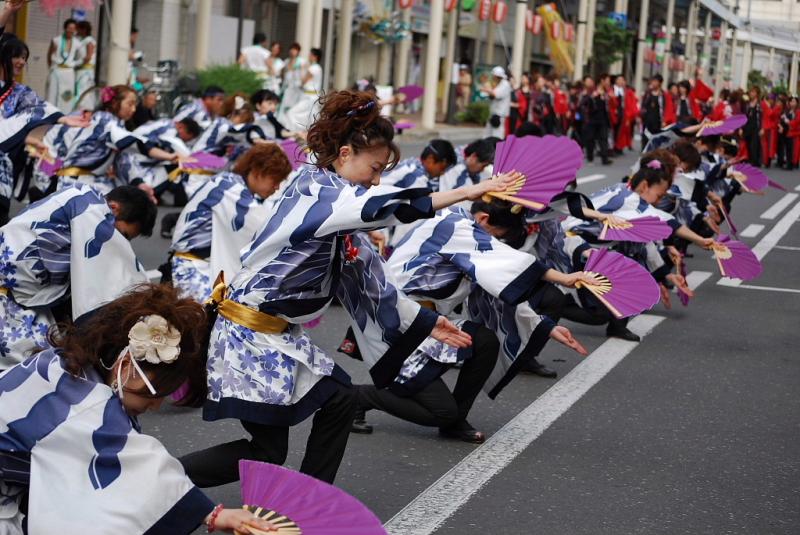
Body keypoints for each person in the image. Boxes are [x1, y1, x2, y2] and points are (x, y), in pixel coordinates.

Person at [178, 90, 517, 487]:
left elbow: (376, 287)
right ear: (343, 155)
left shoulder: (340, 218)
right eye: (373, 169)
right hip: (250, 333)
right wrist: (466, 192)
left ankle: (306, 500)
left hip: (271, 334)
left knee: (337, 401)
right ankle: (165, 486)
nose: (375, 180)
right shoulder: (317, 192)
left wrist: (428, 323)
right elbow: (385, 205)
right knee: (269, 450)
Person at [0, 284, 278, 534]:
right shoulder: (90, 407)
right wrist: (214, 514)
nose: (156, 404)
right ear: (126, 366)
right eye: (154, 392)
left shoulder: (65, 364)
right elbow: (138, 459)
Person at [350, 200, 592, 442]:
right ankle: (359, 398)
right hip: (395, 326)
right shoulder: (452, 226)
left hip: (431, 324)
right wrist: (563, 277)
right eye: (496, 236)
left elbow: (497, 296)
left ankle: (456, 419)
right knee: (442, 412)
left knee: (485, 340)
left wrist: (546, 327)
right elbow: (505, 260)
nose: (495, 243)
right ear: (484, 219)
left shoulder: (466, 237)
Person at [0, 184, 156, 369]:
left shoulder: (82, 198)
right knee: (39, 365)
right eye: (122, 235)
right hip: (11, 300)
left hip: (20, 293)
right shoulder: (91, 209)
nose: (119, 243)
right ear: (113, 208)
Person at [169, 143, 293, 303]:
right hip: (193, 267)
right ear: (257, 171)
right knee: (215, 319)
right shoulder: (230, 190)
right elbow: (264, 228)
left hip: (198, 264)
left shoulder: (230, 184)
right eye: (275, 179)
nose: (277, 187)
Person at [0, 33, 90, 221]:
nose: (22, 62)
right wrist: (7, 10)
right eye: (17, 56)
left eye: (24, 58)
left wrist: (63, 119)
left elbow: (39, 108)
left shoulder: (20, 92)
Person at [37, 84, 179, 196]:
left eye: (135, 105)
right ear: (115, 103)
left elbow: (124, 159)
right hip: (76, 180)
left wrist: (139, 183)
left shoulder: (114, 123)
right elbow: (137, 144)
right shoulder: (104, 120)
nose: (134, 109)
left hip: (86, 180)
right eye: (130, 104)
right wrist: (170, 156)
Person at [46, 18, 79, 112]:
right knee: (52, 93)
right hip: (56, 70)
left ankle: (65, 113)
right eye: (69, 28)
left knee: (67, 94)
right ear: (65, 28)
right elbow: (49, 55)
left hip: (69, 72)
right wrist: (51, 68)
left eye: (73, 28)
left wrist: (75, 64)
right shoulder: (56, 40)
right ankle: (50, 113)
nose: (71, 30)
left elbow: (82, 57)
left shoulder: (77, 43)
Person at [579, 75, 611, 165]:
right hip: (591, 119)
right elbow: (582, 103)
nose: (608, 83)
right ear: (602, 81)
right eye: (607, 81)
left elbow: (607, 107)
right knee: (590, 139)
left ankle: (605, 159)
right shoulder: (589, 92)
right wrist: (592, 96)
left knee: (603, 138)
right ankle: (590, 157)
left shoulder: (605, 92)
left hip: (602, 119)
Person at [640, 74, 676, 149]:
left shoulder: (664, 95)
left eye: (655, 81)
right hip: (647, 121)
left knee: (656, 140)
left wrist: (665, 120)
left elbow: (668, 109)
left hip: (658, 122)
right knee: (645, 139)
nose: (653, 83)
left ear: (660, 83)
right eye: (652, 81)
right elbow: (643, 106)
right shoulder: (648, 94)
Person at [609, 74, 639, 154]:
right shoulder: (611, 90)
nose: (621, 82)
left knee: (621, 131)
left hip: (623, 115)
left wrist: (630, 115)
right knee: (613, 131)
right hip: (613, 114)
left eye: (622, 80)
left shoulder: (627, 92)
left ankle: (618, 147)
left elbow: (632, 104)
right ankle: (613, 147)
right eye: (619, 80)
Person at [481, 66, 512, 138]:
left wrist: (486, 90)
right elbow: (492, 96)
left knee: (496, 136)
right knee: (487, 135)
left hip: (499, 115)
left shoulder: (505, 84)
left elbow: (496, 94)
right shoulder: (498, 84)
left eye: (493, 75)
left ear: (497, 76)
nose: (492, 77)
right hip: (493, 113)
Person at [279, 42, 307, 120]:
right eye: (291, 49)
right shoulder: (286, 61)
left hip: (296, 87)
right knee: (285, 104)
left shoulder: (301, 61)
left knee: (294, 105)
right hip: (287, 86)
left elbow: (303, 74)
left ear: (298, 51)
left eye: (295, 50)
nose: (292, 51)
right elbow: (283, 73)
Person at [73, 20, 96, 110]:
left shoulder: (89, 41)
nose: (76, 31)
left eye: (78, 29)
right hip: (80, 70)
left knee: (83, 90)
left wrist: (75, 63)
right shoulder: (79, 40)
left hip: (85, 71)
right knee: (79, 89)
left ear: (84, 30)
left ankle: (84, 109)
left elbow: (88, 57)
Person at [742, 86, 763, 167]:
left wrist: (762, 128)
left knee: (754, 145)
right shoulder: (747, 104)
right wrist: (741, 128)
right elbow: (744, 116)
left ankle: (755, 162)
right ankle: (750, 161)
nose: (751, 93)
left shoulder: (759, 104)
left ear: (757, 94)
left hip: (756, 127)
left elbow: (762, 117)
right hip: (747, 127)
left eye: (753, 92)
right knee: (748, 144)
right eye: (751, 92)